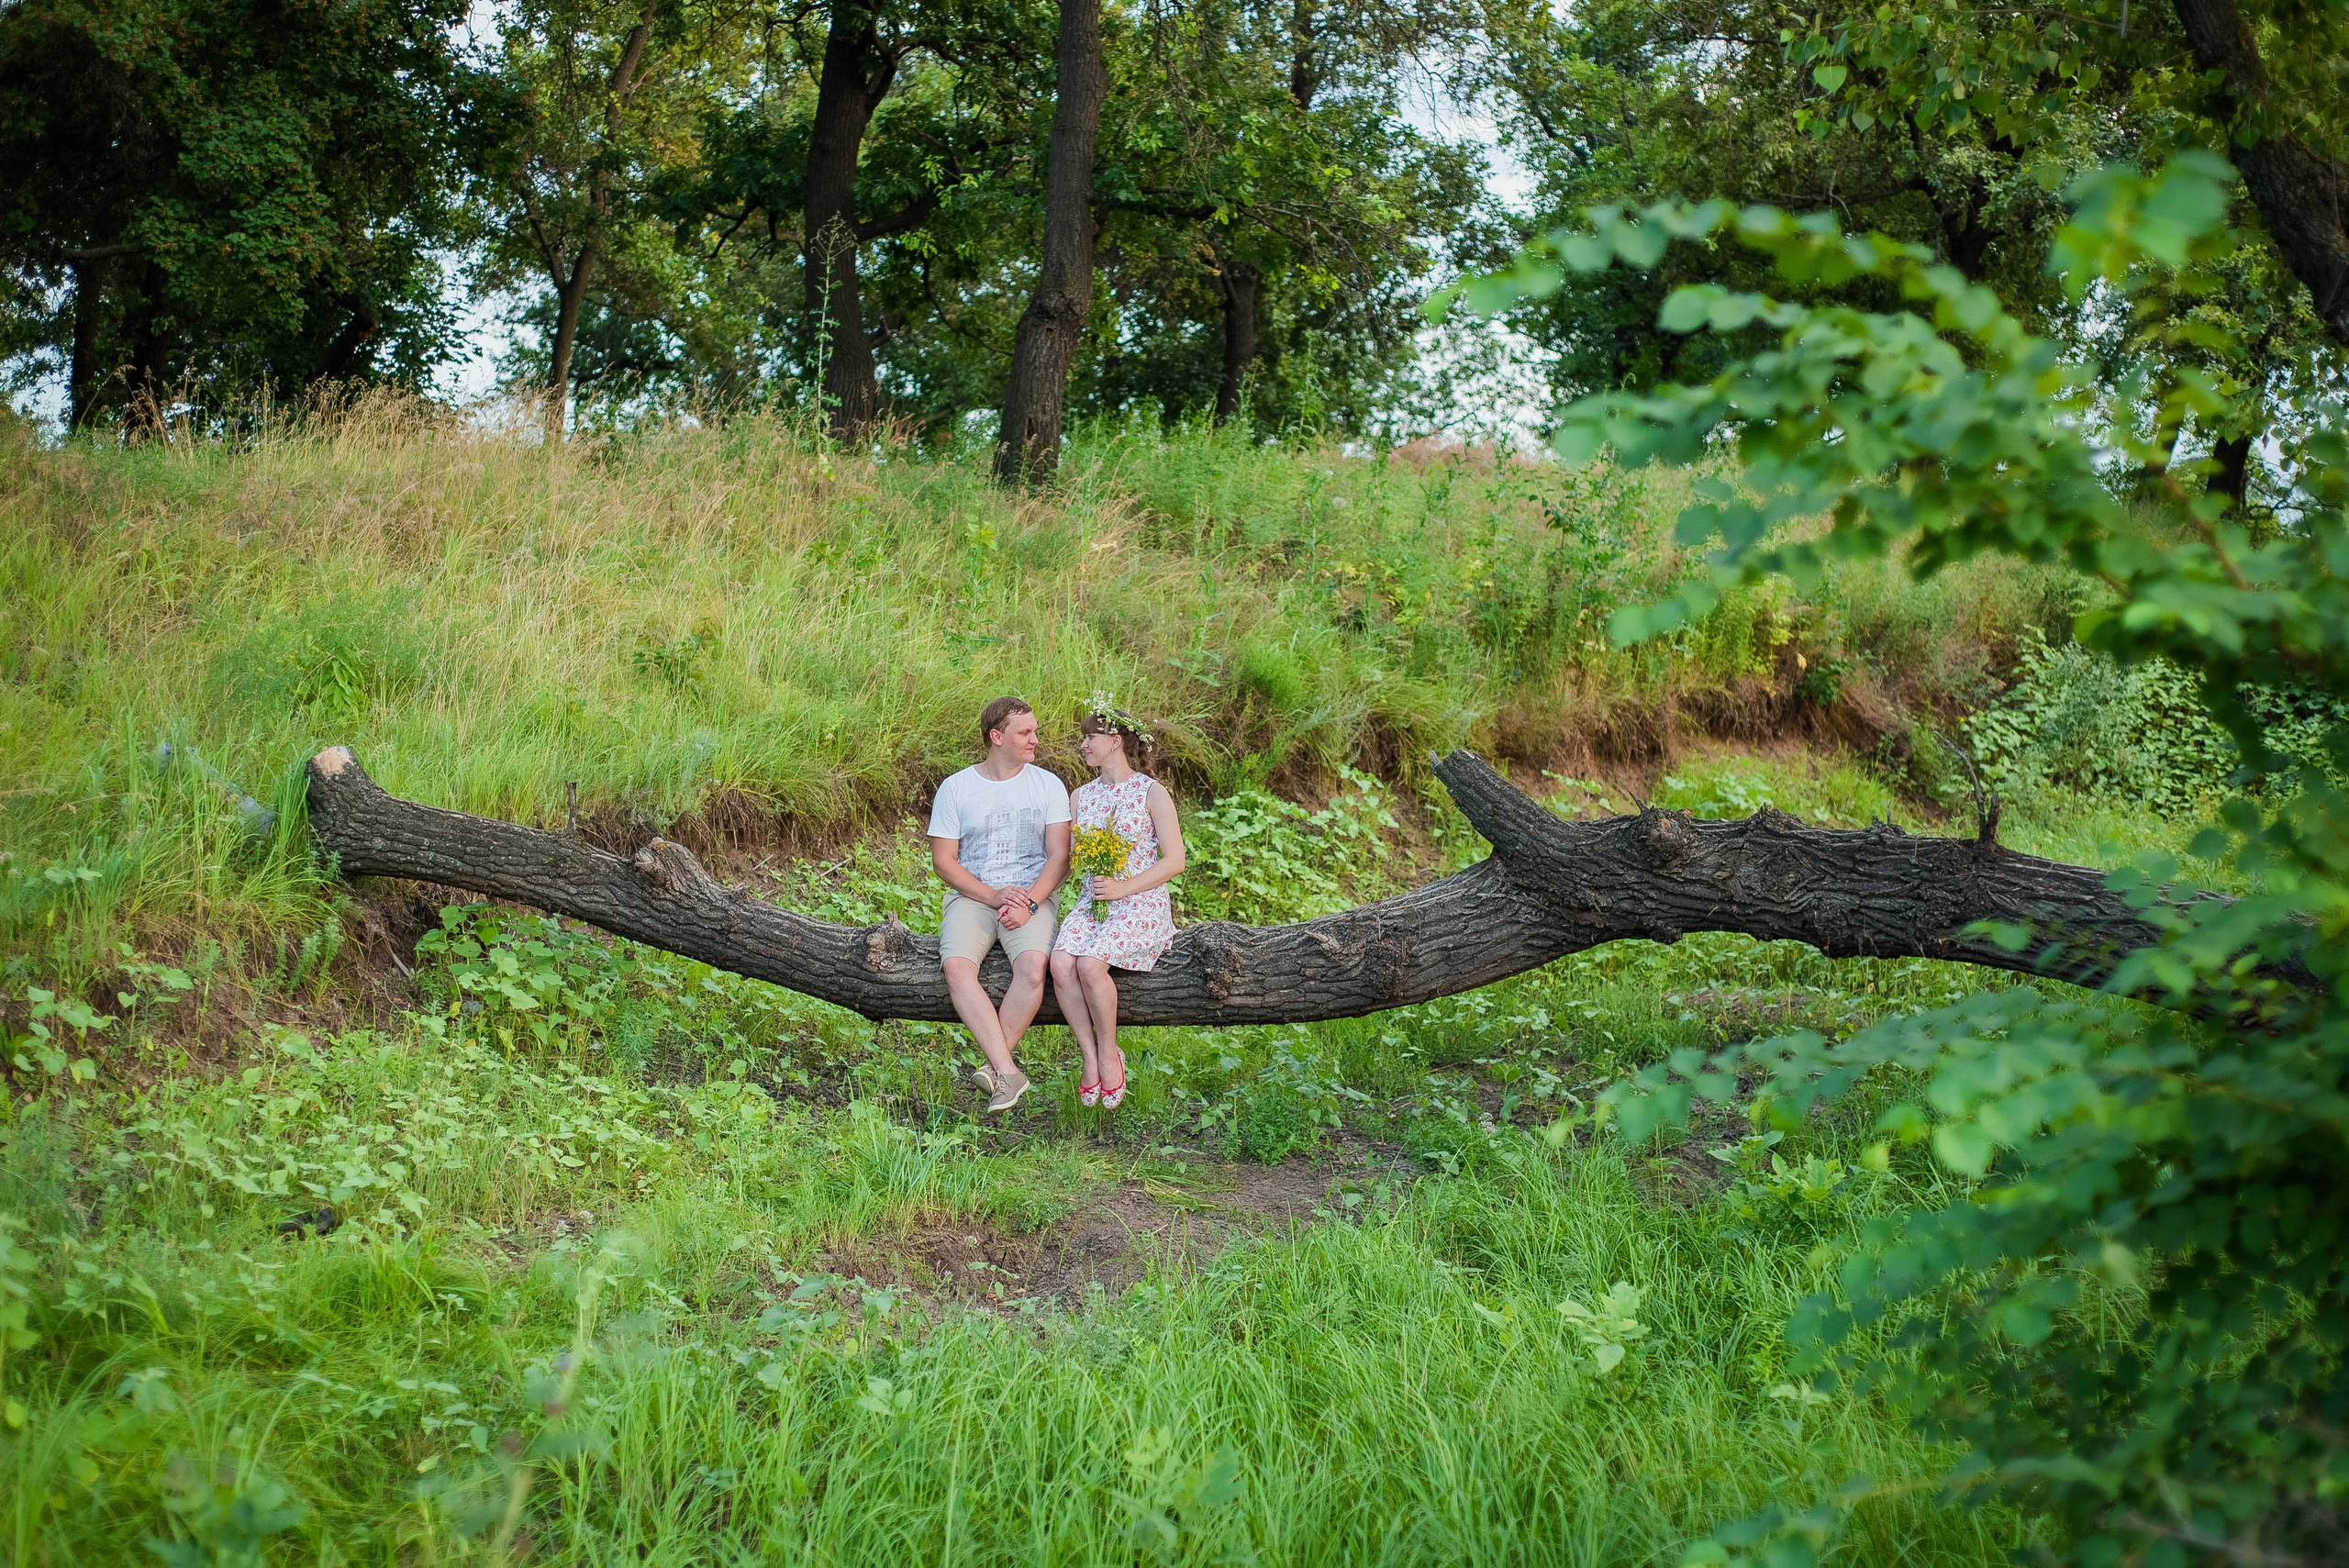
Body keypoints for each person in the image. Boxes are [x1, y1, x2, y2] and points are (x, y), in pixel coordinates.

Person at [928, 696, 1071, 1111]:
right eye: (1025, 732)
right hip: (973, 896)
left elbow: (1059, 858)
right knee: (956, 967)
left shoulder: (1048, 785)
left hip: (1032, 896)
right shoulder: (957, 787)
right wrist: (991, 895)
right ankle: (1009, 1072)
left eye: (1035, 730)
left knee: (1031, 967)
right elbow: (943, 862)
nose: (1035, 740)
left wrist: (1029, 901)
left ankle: (996, 1070)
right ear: (997, 736)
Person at [1050, 701, 1184, 1108]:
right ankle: (1088, 1058)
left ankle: (1110, 1054)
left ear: (1114, 742)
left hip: (1140, 904)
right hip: (1095, 902)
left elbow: (1175, 861)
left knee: (1089, 966)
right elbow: (1068, 864)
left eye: (1090, 738)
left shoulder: (1151, 792)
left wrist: (1124, 888)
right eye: (1084, 738)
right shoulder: (1080, 797)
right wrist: (1030, 899)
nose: (1083, 745)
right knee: (1060, 963)